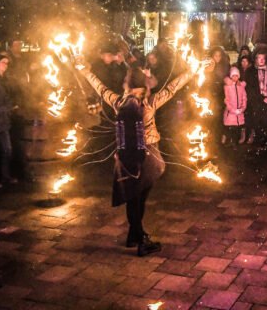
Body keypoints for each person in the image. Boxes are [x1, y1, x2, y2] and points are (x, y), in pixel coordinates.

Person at [76, 57, 194, 256]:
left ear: (128, 85)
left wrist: (85, 72)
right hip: (147, 156)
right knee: (138, 198)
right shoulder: (149, 103)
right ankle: (141, 239)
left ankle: (133, 235)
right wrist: (192, 71)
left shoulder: (119, 102)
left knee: (134, 197)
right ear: (143, 85)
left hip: (126, 157)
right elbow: (171, 89)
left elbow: (101, 89)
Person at [244, 51, 267, 146]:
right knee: (257, 120)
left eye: (263, 58)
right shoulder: (251, 71)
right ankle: (257, 140)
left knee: (266, 121)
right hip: (256, 100)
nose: (261, 60)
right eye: (259, 58)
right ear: (256, 59)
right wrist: (261, 98)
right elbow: (250, 88)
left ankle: (265, 140)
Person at [223, 66, 247, 145]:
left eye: (236, 75)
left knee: (237, 128)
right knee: (231, 128)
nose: (235, 77)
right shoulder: (227, 87)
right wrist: (232, 110)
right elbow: (227, 100)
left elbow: (244, 98)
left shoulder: (241, 87)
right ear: (231, 76)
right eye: (233, 75)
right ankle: (230, 141)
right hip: (231, 112)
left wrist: (242, 108)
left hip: (239, 112)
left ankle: (235, 143)